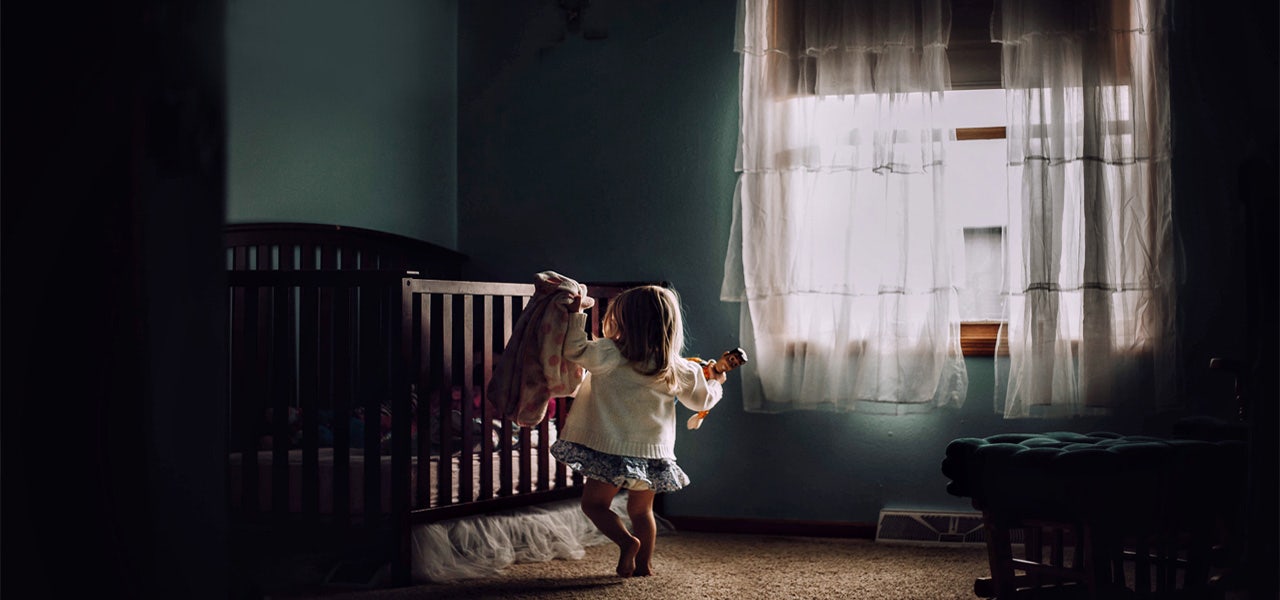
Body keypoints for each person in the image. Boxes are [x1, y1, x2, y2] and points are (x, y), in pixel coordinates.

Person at [550, 285, 725, 578]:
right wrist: (717, 382)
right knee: (642, 511)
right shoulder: (678, 367)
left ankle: (626, 542)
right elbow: (701, 401)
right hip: (654, 456)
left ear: (623, 321)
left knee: (594, 504)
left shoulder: (608, 352)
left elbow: (574, 350)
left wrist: (577, 314)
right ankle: (644, 565)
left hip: (610, 450)